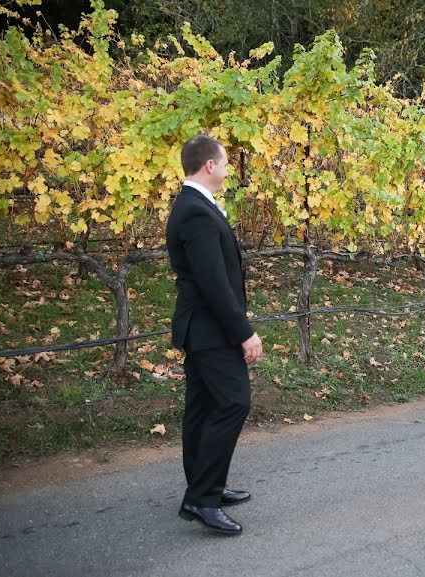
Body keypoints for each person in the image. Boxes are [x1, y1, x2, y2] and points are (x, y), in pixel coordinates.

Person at [166, 134, 263, 535]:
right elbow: (213, 282)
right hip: (211, 329)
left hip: (203, 327)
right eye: (224, 162)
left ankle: (205, 487)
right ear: (209, 165)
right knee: (234, 403)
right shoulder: (195, 212)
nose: (227, 169)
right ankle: (202, 498)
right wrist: (244, 332)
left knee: (204, 408)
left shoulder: (196, 206)